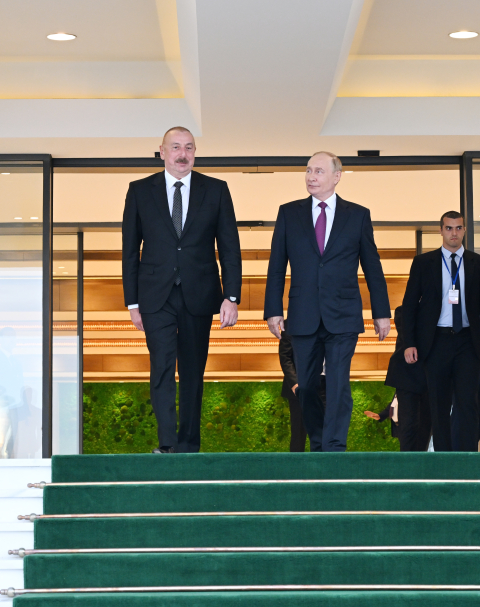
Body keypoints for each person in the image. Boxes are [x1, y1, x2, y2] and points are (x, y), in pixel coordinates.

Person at [122, 126, 242, 453]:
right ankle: (167, 444)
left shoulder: (216, 190)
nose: (182, 154)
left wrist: (231, 296)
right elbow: (130, 250)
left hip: (200, 294)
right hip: (155, 296)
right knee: (161, 367)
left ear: (195, 152)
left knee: (192, 371)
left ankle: (188, 445)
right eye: (175, 147)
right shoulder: (139, 190)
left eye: (189, 147)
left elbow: (229, 247)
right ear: (162, 152)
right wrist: (132, 302)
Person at [264, 151, 391, 452]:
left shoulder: (357, 215)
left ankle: (334, 447)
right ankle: (319, 442)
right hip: (303, 315)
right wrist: (273, 309)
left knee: (337, 382)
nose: (311, 176)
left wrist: (381, 312)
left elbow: (372, 267)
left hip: (343, 314)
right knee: (306, 386)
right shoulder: (289, 213)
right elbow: (276, 264)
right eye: (308, 170)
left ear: (337, 176)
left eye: (319, 171)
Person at [403, 211, 480, 452]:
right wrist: (409, 342)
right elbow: (409, 305)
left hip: (469, 341)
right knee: (438, 405)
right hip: (436, 341)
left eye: (458, 228)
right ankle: (444, 460)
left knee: (468, 403)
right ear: (441, 231)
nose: (453, 233)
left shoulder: (477, 263)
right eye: (449, 228)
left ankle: (467, 459)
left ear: (464, 230)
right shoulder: (424, 263)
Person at [383, 305, 431, 451]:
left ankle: (419, 461)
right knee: (409, 425)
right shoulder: (403, 311)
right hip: (407, 374)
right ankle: (408, 462)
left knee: (426, 426)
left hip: (431, 375)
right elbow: (406, 331)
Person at [279, 320, 326, 452]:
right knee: (298, 433)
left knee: (325, 432)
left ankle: (322, 464)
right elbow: (285, 356)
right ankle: (296, 465)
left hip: (325, 384)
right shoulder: (291, 323)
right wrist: (295, 384)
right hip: (299, 387)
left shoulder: (330, 320)